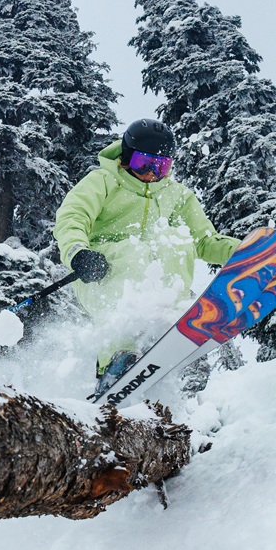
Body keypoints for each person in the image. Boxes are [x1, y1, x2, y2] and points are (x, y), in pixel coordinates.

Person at [53, 117, 242, 391]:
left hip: (155, 288)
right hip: (100, 273)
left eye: (162, 165)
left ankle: (165, 328)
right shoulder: (103, 181)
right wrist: (78, 253)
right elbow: (72, 217)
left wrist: (242, 253)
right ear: (127, 157)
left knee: (176, 242)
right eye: (145, 163)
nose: (153, 173)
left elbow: (203, 241)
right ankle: (114, 362)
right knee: (133, 251)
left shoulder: (177, 195)